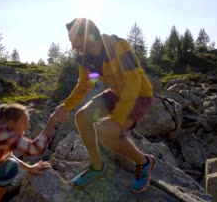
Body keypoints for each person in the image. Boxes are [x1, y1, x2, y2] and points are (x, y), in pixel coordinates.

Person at [54, 18, 155, 193]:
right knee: (81, 117)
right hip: (116, 94)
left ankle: (144, 162)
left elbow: (134, 80)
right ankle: (97, 167)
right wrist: (66, 106)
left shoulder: (117, 46)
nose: (72, 46)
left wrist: (117, 118)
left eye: (73, 40)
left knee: (109, 133)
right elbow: (86, 85)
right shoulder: (87, 61)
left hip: (139, 95)